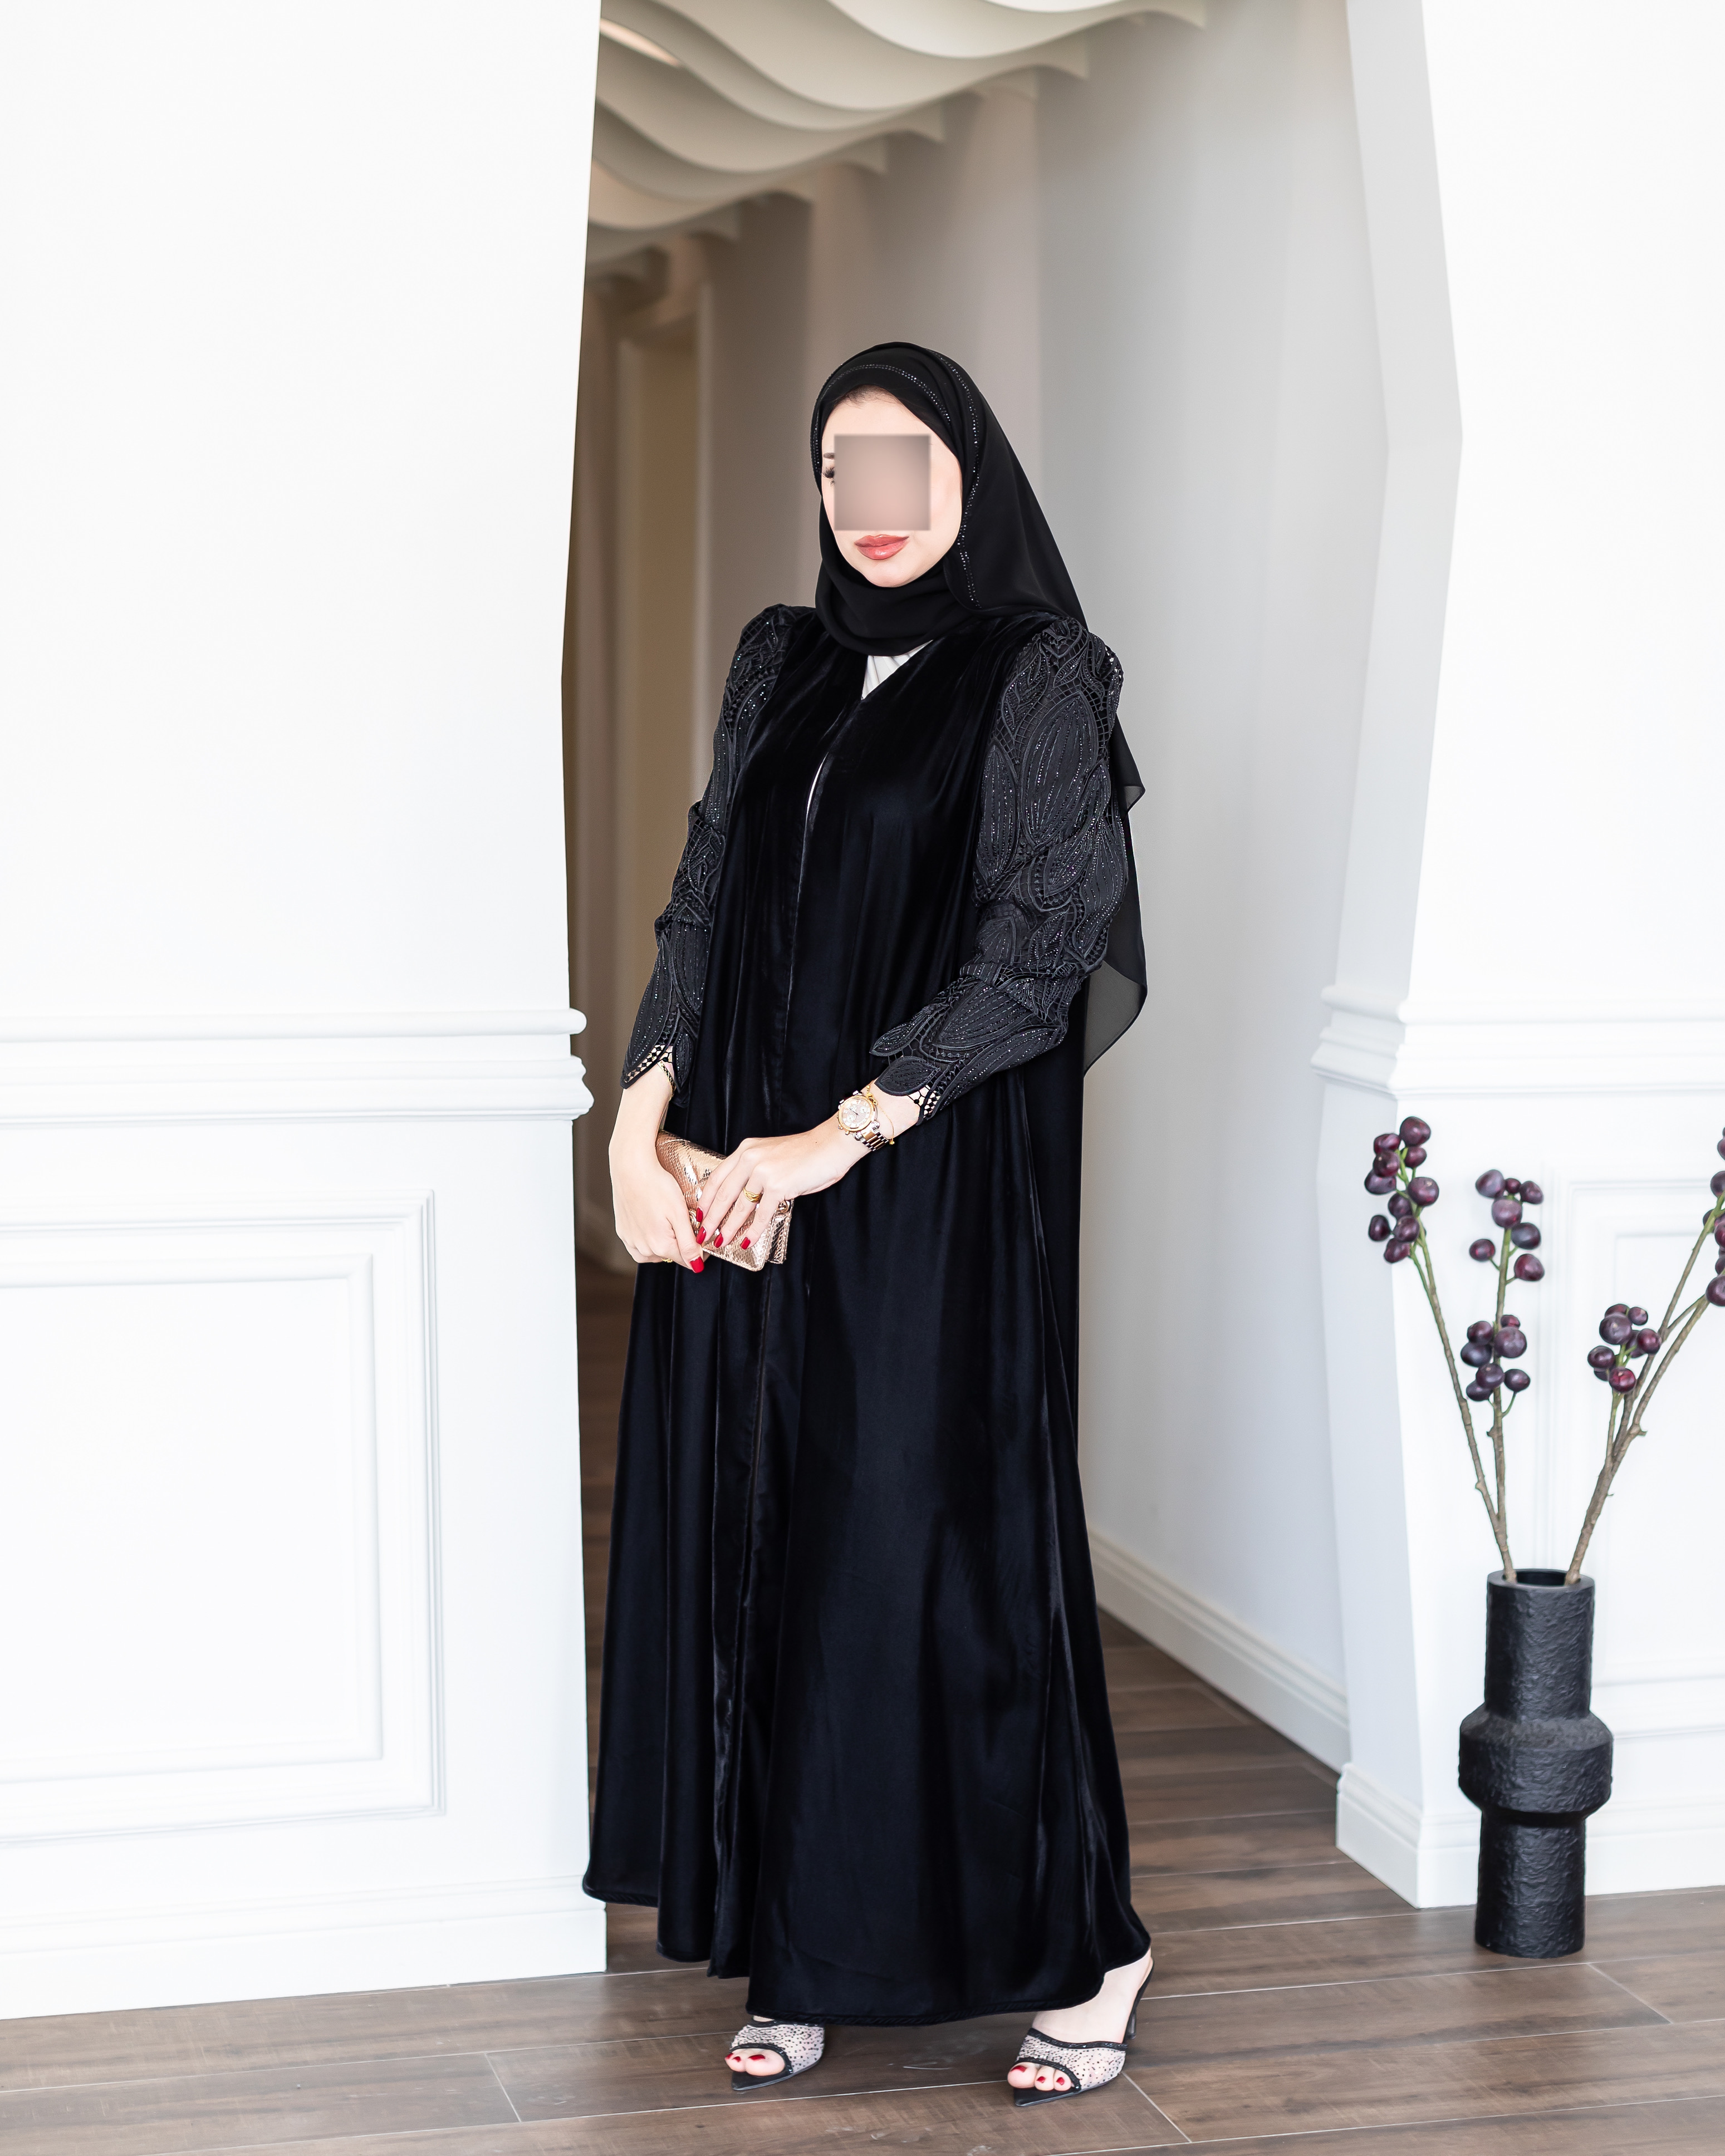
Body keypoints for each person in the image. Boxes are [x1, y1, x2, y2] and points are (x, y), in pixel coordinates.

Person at [584, 342, 1153, 2108]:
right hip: (738, 1185)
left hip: (920, 1191)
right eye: (841, 467)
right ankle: (805, 1944)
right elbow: (703, 895)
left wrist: (842, 1133)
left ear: (969, 473)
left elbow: (1038, 952)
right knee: (767, 1540)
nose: (871, 502)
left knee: (935, 1552)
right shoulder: (783, 657)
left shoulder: (1038, 674)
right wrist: (637, 1119)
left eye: (905, 460)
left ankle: (1095, 1950)